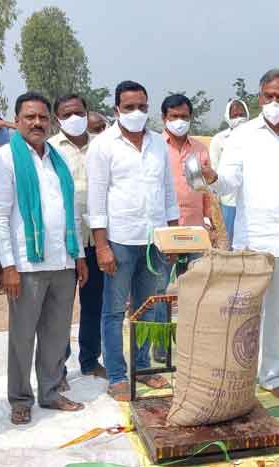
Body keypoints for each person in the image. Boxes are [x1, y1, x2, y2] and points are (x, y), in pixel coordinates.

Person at [201, 68, 279, 402]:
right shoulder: (243, 137)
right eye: (268, 96)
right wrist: (212, 177)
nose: (274, 103)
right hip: (253, 240)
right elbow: (228, 184)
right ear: (259, 98)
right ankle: (240, 373)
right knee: (245, 311)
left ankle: (272, 376)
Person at [0, 92, 88, 425]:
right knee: (22, 334)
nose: (37, 123)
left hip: (62, 261)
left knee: (57, 333)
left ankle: (49, 392)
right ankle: (20, 398)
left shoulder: (57, 159)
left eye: (43, 118)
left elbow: (69, 212)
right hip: (26, 266)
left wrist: (79, 257)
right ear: (16, 121)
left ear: (51, 122)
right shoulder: (3, 159)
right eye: (29, 117)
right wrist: (8, 265)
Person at [87, 81, 179, 401]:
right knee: (114, 310)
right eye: (129, 107)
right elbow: (96, 201)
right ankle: (116, 375)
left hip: (154, 241)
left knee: (149, 307)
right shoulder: (103, 145)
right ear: (116, 110)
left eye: (142, 106)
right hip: (121, 241)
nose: (136, 113)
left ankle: (145, 368)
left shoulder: (158, 144)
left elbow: (168, 194)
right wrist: (102, 246)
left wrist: (173, 238)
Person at [48, 94, 107, 381]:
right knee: (59, 307)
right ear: (57, 118)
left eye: (78, 112)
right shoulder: (49, 150)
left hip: (97, 240)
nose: (74, 118)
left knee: (94, 303)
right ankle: (57, 365)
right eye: (67, 114)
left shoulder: (102, 147)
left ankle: (89, 359)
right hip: (64, 241)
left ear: (87, 113)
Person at [161, 93, 214, 275]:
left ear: (190, 118)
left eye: (184, 117)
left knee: (194, 284)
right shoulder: (156, 147)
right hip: (164, 228)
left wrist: (209, 220)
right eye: (174, 117)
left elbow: (206, 189)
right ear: (164, 118)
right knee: (162, 286)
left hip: (195, 226)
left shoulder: (200, 148)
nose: (179, 121)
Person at [209, 99, 249, 246]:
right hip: (228, 202)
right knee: (227, 244)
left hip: (249, 203)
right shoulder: (219, 140)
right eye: (234, 115)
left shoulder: (257, 137)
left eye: (242, 114)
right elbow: (214, 173)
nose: (239, 118)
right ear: (227, 117)